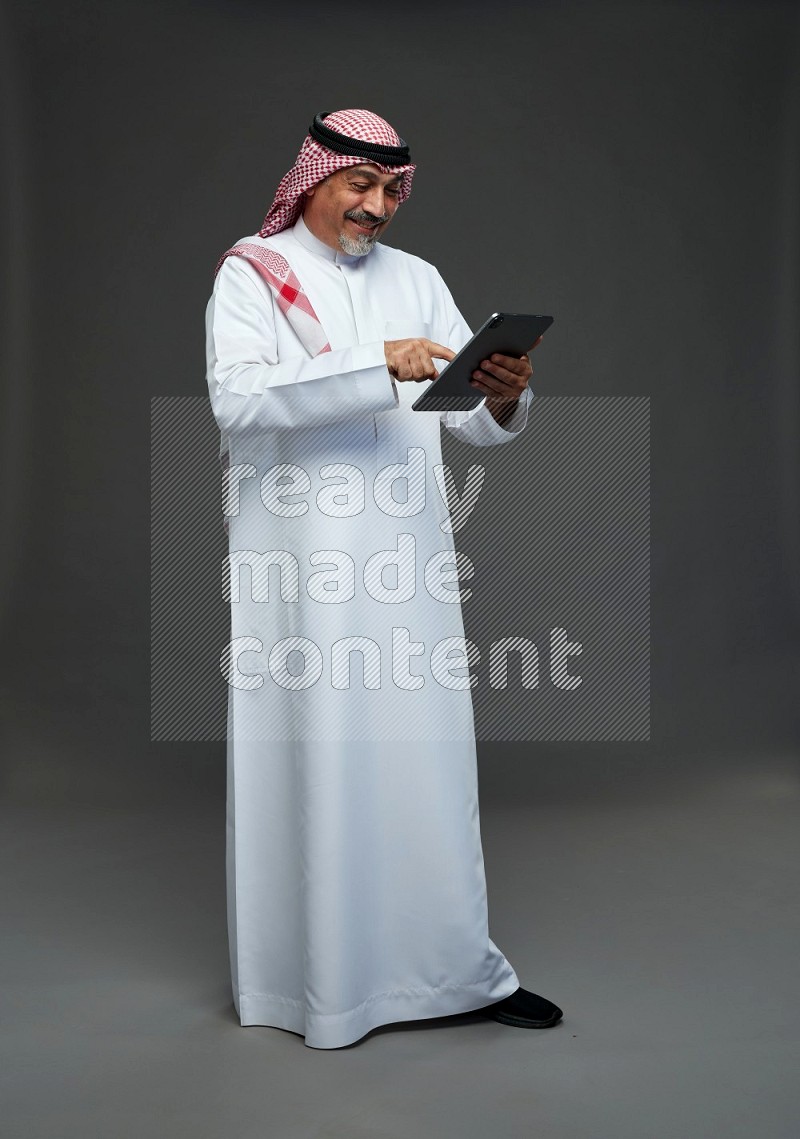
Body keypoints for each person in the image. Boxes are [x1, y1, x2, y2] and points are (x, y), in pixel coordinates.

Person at [205, 108, 562, 1049]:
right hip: (303, 566)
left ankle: (454, 973)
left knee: (427, 762)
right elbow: (236, 400)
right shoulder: (255, 270)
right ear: (313, 177)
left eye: (390, 189)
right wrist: (374, 363)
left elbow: (464, 420)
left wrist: (505, 393)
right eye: (358, 184)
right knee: (323, 753)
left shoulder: (419, 279)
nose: (376, 206)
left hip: (408, 557)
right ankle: (324, 989)